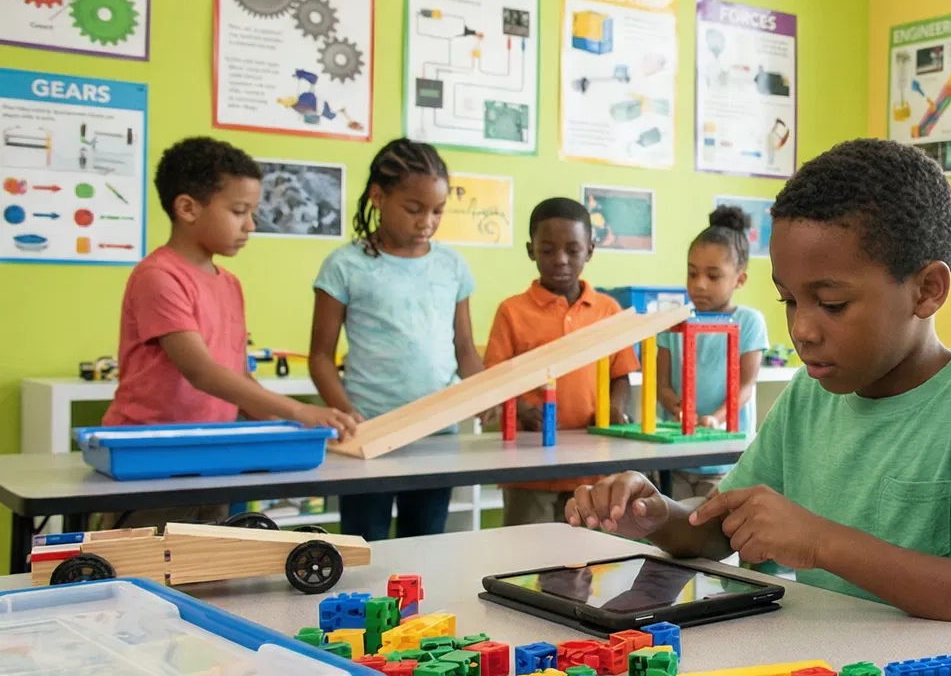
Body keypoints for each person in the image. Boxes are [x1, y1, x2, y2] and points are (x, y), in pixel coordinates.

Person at [565, 139, 951, 639]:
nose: (802, 329)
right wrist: (656, 515)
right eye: (789, 300)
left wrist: (822, 544)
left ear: (927, 290)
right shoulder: (810, 394)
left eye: (832, 303)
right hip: (829, 673)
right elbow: (719, 528)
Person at [102, 137, 358, 528]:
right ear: (187, 208)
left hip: (212, 455)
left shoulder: (229, 283)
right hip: (151, 459)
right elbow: (202, 372)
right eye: (239, 211)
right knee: (149, 569)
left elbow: (236, 376)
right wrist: (299, 409)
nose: (251, 225)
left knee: (207, 574)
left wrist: (300, 429)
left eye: (252, 212)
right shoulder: (158, 276)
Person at [309, 138, 481, 540]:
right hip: (369, 433)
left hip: (437, 434)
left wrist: (486, 396)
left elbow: (465, 349)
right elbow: (320, 357)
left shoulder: (452, 265)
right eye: (414, 209)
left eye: (438, 211)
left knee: (425, 541)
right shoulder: (344, 265)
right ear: (378, 197)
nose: (427, 222)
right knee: (365, 542)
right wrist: (349, 415)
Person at [483, 197, 641, 524]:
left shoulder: (609, 310)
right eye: (547, 250)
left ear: (591, 250)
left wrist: (615, 407)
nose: (560, 260)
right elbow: (495, 381)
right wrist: (523, 410)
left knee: (586, 559)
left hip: (592, 463)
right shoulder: (511, 311)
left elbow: (621, 375)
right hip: (528, 466)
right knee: (525, 559)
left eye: (572, 250)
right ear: (531, 250)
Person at [654, 204, 769, 495]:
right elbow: (662, 385)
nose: (699, 285)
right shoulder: (675, 320)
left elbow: (746, 387)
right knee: (675, 527)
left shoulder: (748, 321)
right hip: (677, 455)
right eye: (692, 274)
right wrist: (682, 413)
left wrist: (715, 419)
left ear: (740, 279)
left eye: (713, 276)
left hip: (726, 459)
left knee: (718, 533)